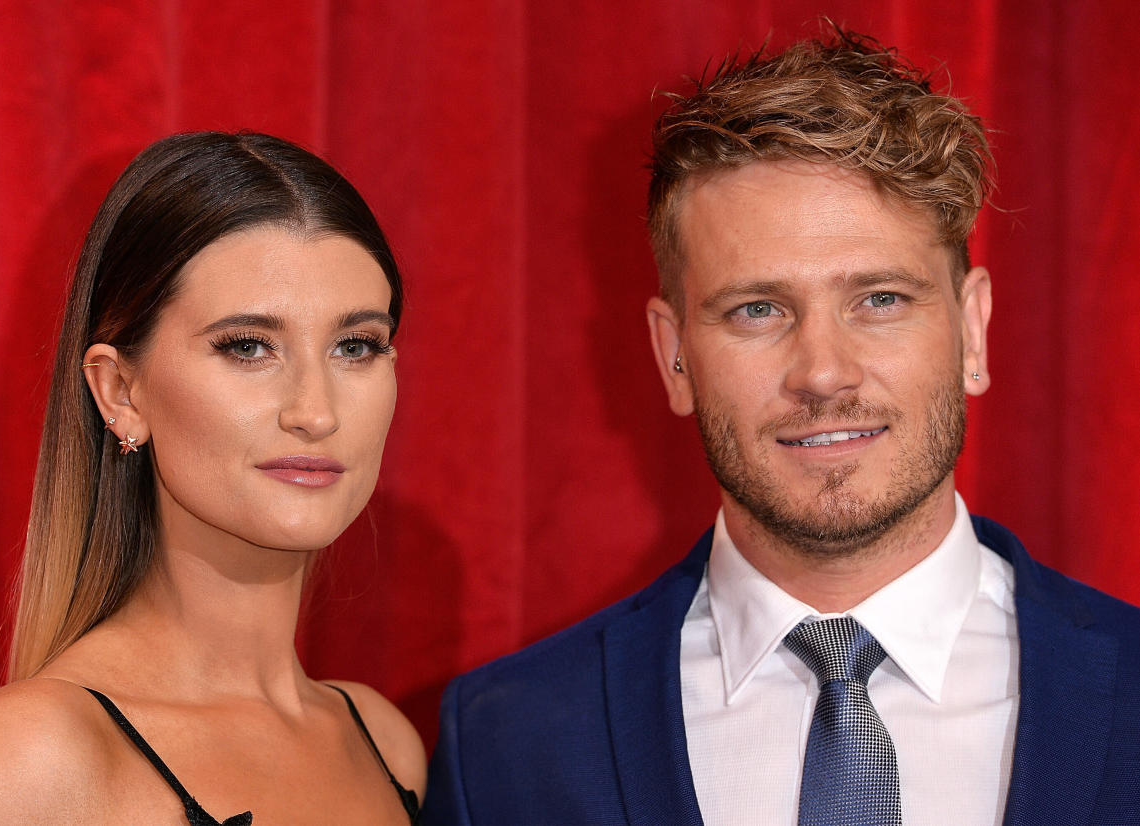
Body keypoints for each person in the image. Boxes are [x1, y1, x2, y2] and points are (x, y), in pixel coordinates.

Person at [423, 29, 1140, 826]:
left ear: (972, 331)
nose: (823, 373)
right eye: (757, 310)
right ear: (673, 357)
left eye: (880, 300)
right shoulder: (507, 741)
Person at [0, 132, 425, 824]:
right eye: (247, 347)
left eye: (355, 346)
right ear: (120, 391)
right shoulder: (43, 751)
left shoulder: (384, 743)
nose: (315, 412)